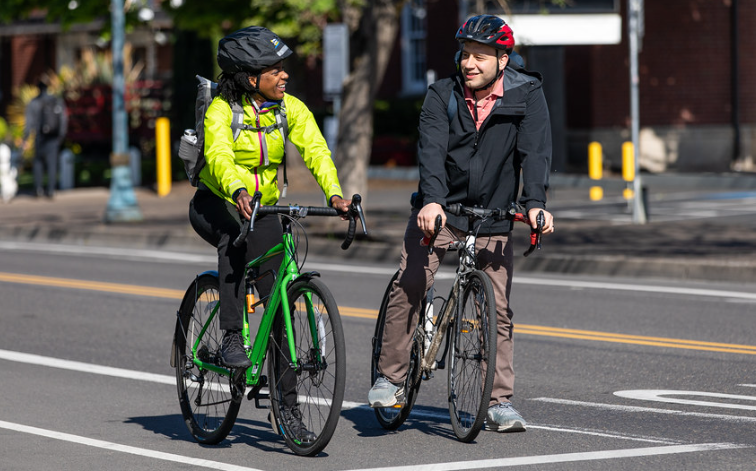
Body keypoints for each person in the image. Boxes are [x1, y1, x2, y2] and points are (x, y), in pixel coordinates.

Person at [368, 15, 555, 433]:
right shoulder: (441, 94)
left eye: (479, 56)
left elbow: (536, 152)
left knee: (499, 309)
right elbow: (430, 151)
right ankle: (391, 377)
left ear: (503, 60)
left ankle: (499, 402)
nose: (468, 63)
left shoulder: (527, 94)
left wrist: (535, 204)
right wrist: (431, 201)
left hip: (494, 214)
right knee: (412, 281)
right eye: (465, 54)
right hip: (440, 211)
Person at [188, 26, 351, 443]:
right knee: (233, 239)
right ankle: (228, 338)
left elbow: (315, 149)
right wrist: (238, 189)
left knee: (280, 304)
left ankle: (288, 411)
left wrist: (334, 194)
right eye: (273, 70)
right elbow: (219, 155)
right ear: (248, 76)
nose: (284, 76)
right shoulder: (222, 111)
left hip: (265, 207)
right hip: (217, 201)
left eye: (284, 69)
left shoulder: (288, 108)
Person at [22, 81, 67, 198]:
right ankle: (51, 190)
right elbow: (63, 119)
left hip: (40, 137)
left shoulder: (34, 102)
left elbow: (29, 122)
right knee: (52, 164)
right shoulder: (56, 101)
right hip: (53, 138)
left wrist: (25, 138)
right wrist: (61, 136)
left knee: (38, 163)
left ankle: (38, 189)